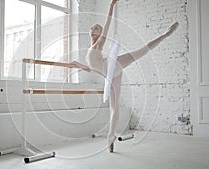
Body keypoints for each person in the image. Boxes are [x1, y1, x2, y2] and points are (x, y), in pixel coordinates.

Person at [71, 0, 179, 152]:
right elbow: (91, 69)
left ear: (99, 33)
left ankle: (166, 34)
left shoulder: (98, 44)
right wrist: (78, 65)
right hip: (110, 74)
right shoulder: (90, 49)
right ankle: (111, 136)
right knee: (114, 107)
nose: (91, 29)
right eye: (91, 27)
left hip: (112, 65)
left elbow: (107, 24)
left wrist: (111, 6)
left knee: (141, 51)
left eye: (95, 28)